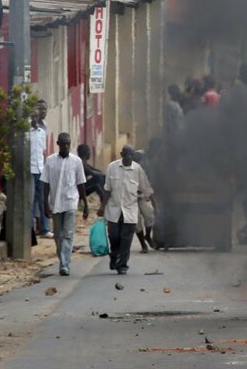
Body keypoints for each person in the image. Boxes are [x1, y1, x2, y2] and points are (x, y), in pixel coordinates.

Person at [98, 145, 154, 275]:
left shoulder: (137, 169)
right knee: (114, 236)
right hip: (114, 209)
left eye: (131, 155)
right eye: (126, 154)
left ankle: (122, 265)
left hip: (130, 210)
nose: (129, 157)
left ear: (133, 155)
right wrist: (102, 207)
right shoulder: (112, 167)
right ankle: (114, 256)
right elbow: (107, 189)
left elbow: (146, 188)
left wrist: (152, 204)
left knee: (126, 239)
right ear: (121, 154)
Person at [41, 133, 88, 276]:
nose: (66, 146)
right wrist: (45, 204)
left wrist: (85, 204)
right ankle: (63, 259)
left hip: (70, 202)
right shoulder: (50, 161)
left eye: (68, 144)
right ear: (58, 144)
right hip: (55, 203)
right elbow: (46, 184)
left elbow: (80, 183)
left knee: (67, 234)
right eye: (63, 144)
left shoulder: (76, 161)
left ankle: (64, 264)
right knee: (58, 235)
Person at [29, 114, 50, 238]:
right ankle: (31, 229)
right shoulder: (26, 133)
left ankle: (45, 228)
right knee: (31, 201)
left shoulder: (42, 132)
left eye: (37, 116)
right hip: (30, 170)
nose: (35, 119)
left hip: (41, 169)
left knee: (43, 199)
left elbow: (43, 151)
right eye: (33, 116)